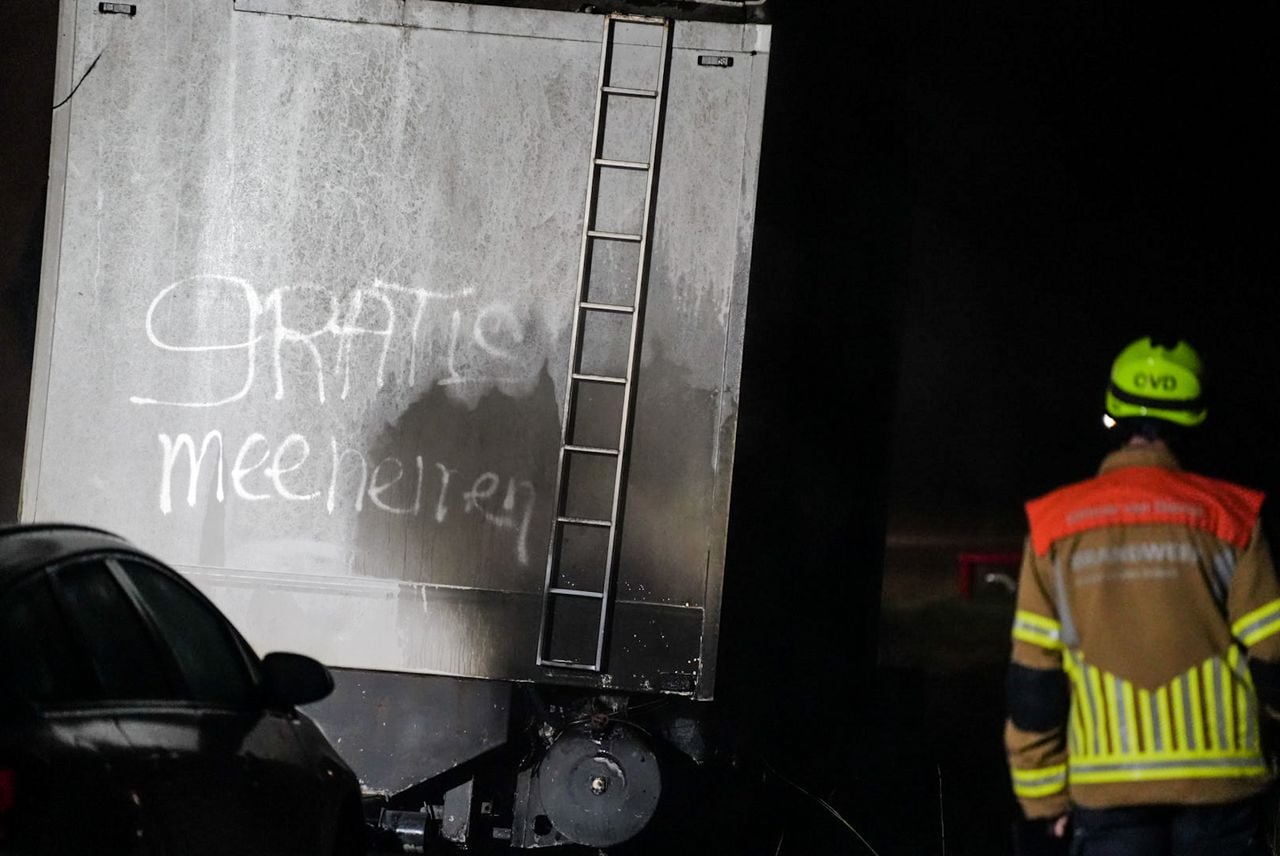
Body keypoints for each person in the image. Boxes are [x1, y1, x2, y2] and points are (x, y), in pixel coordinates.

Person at [1006, 336, 1280, 855]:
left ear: (1113, 415)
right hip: (1223, 788)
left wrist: (1044, 804)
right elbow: (1273, 657)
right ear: (1197, 417)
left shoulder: (1052, 526)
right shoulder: (1235, 516)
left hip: (1107, 796)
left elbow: (1033, 686)